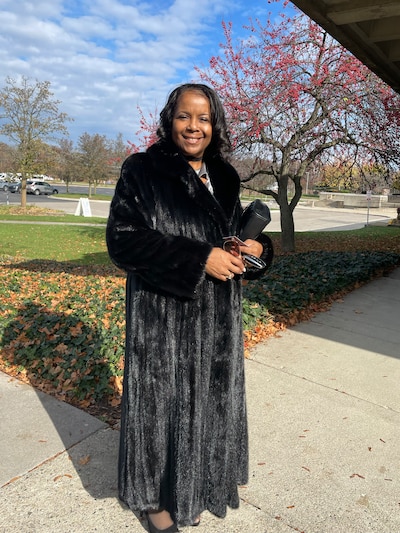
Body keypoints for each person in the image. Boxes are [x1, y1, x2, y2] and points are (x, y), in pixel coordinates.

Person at [106, 83, 271, 532]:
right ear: (170, 119)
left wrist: (255, 248)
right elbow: (123, 241)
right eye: (185, 116)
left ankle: (196, 488)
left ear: (214, 124)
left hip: (218, 322)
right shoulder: (143, 170)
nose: (194, 127)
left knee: (210, 410)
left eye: (203, 118)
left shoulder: (226, 176)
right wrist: (200, 258)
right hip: (162, 320)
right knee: (160, 412)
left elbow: (233, 237)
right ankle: (153, 498)